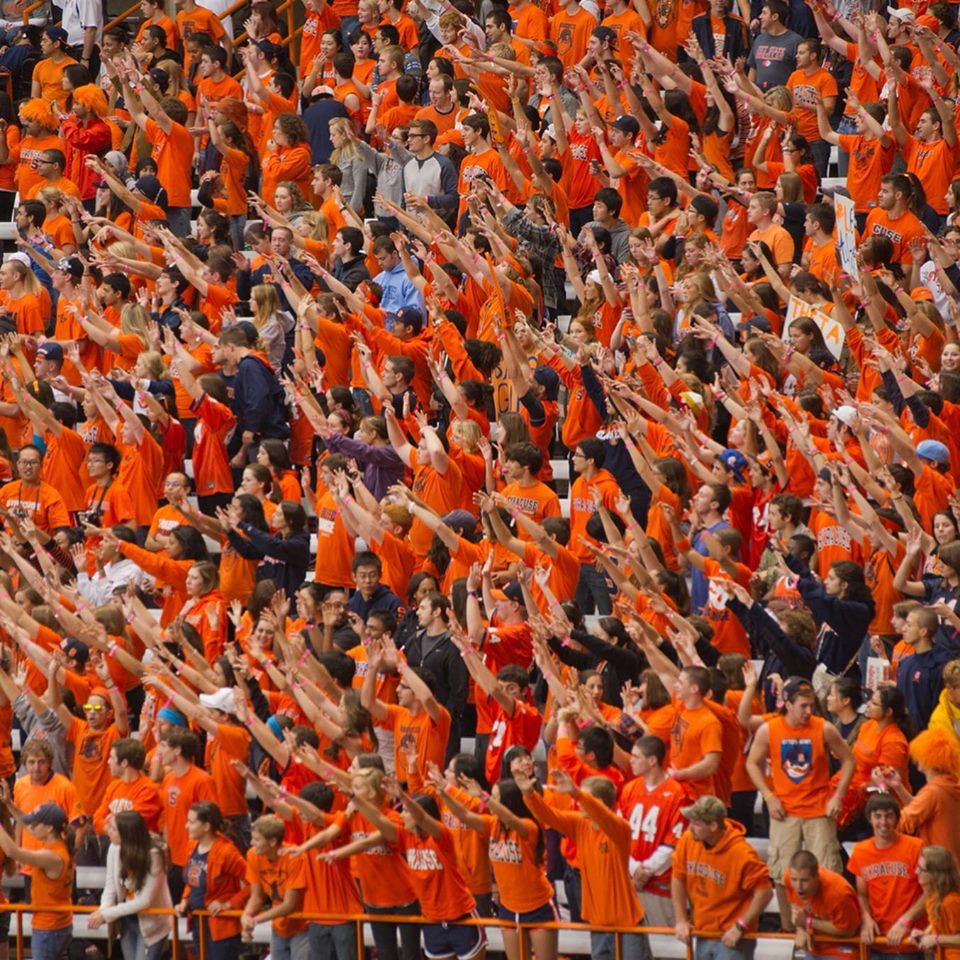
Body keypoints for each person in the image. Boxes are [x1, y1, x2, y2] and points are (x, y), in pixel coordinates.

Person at [746, 676, 854, 928]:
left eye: (811, 705)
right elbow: (751, 763)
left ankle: (826, 928)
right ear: (788, 703)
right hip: (784, 810)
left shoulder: (824, 727)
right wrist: (768, 796)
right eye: (803, 706)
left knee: (827, 872)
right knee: (783, 874)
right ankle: (788, 929)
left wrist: (838, 796)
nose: (809, 711)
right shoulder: (770, 729)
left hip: (819, 810)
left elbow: (849, 760)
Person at [671, 795, 773, 960]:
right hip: (703, 933)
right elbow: (678, 877)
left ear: (712, 826)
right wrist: (681, 919)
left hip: (732, 938)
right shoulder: (688, 840)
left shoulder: (741, 853)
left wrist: (740, 926)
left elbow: (765, 892)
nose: (690, 828)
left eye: (696, 824)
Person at [89, 810, 173, 960]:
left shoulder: (154, 853)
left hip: (152, 921)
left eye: (113, 828)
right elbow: (110, 886)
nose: (108, 831)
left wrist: (107, 914)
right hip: (127, 918)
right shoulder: (114, 848)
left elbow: (145, 900)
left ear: (126, 833)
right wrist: (103, 909)